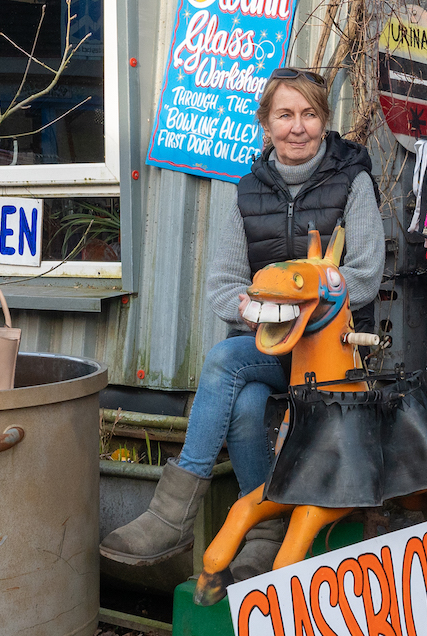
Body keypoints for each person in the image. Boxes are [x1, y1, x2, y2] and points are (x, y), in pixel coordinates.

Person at [99, 68, 381, 575]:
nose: (298, 127)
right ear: (265, 123)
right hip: (272, 350)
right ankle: (267, 527)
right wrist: (260, 311)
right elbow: (224, 287)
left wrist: (295, 308)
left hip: (332, 359)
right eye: (285, 115)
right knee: (246, 397)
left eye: (310, 115)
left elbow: (363, 277)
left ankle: (174, 514)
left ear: (324, 121)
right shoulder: (247, 191)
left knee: (228, 362)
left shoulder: (353, 182)